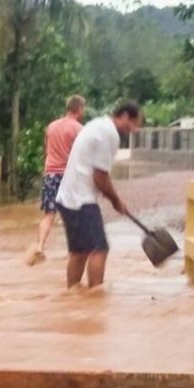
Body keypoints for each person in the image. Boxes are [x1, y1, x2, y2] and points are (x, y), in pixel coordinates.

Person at [54, 101, 142, 289]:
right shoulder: (109, 133)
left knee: (79, 251)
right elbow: (100, 177)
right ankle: (95, 299)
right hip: (80, 199)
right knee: (99, 249)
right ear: (125, 116)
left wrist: (113, 199)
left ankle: (73, 297)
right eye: (134, 124)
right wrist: (116, 200)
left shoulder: (97, 124)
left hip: (68, 197)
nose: (133, 130)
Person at [27, 95, 85, 266]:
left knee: (48, 215)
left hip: (50, 173)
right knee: (73, 214)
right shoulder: (78, 129)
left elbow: (47, 149)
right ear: (79, 109)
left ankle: (40, 245)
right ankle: (74, 251)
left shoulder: (51, 127)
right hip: (68, 175)